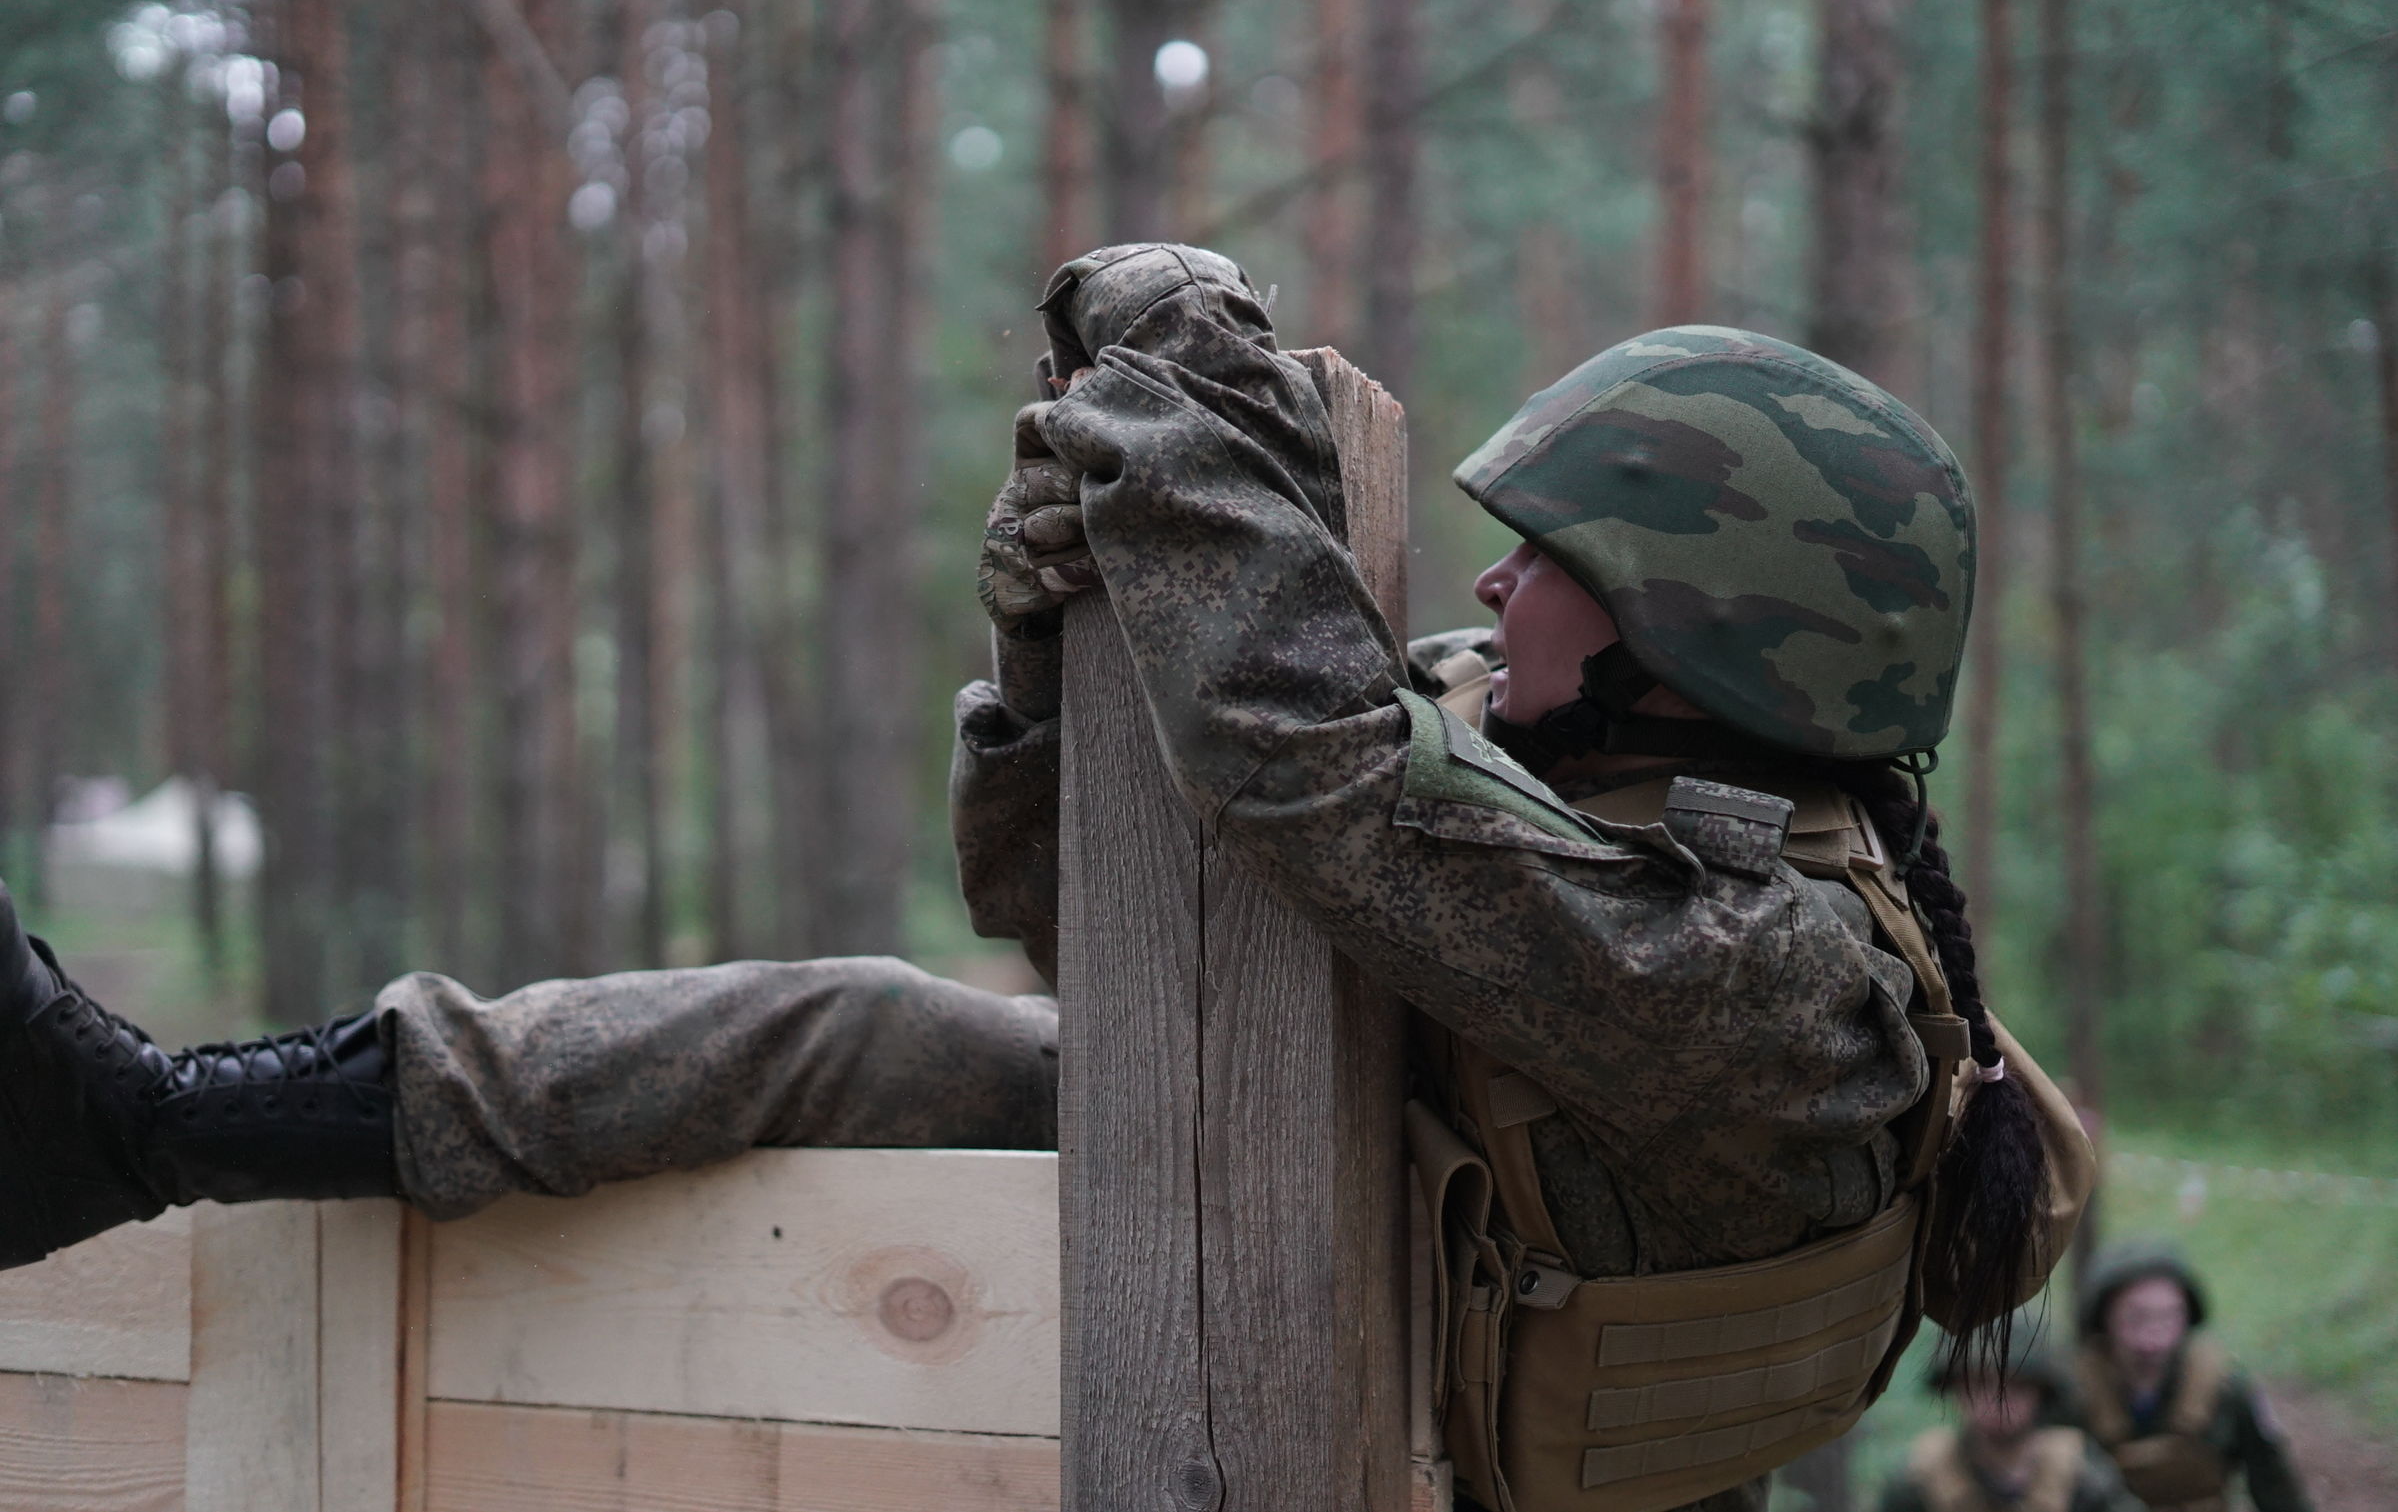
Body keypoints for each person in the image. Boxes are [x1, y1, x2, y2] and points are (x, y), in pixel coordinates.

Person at [2, 244, 2090, 1511]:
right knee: (873, 1020)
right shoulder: (1579, 770)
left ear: (1698, 641)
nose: (1489, 581)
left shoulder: (1763, 983)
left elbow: (1314, 783)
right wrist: (1057, 648)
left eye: (1553, 561)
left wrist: (1179, 400)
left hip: (1441, 1417)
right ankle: (152, 1122)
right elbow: (1097, 922)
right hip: (1377, 1241)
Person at [2068, 1241, 2312, 1512]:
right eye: (2136, 1318)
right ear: (2104, 1318)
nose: (2153, 1338)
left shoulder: (2226, 1387)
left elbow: (2274, 1482)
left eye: (2168, 1317)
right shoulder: (2072, 1388)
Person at [1877, 1313, 2142, 1512]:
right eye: (1980, 1383)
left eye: (2016, 1384)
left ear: (2040, 1391)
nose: (1997, 1399)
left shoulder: (2082, 1474)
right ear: (1957, 1388)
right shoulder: (1919, 1479)